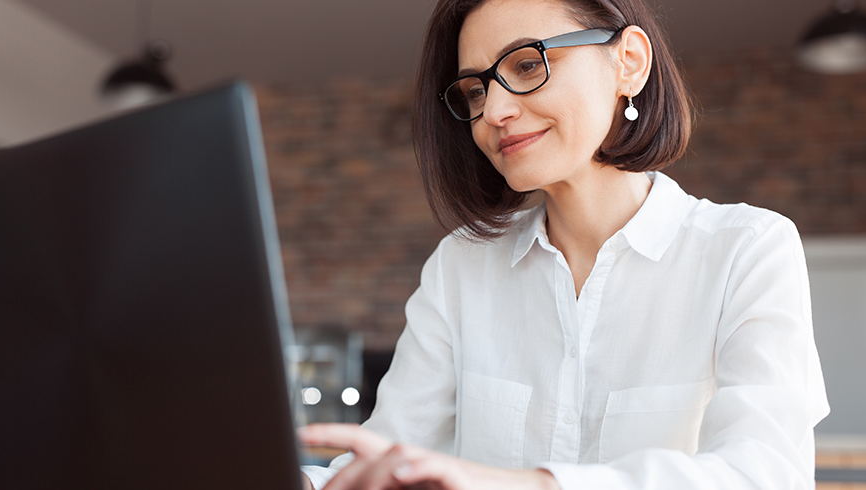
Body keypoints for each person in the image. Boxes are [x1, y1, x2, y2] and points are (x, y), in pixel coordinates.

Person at [299, 0, 830, 488]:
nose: (494, 112)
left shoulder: (747, 251)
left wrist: (528, 484)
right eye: (476, 90)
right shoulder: (461, 267)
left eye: (527, 66)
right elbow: (385, 458)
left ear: (630, 63)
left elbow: (765, 475)